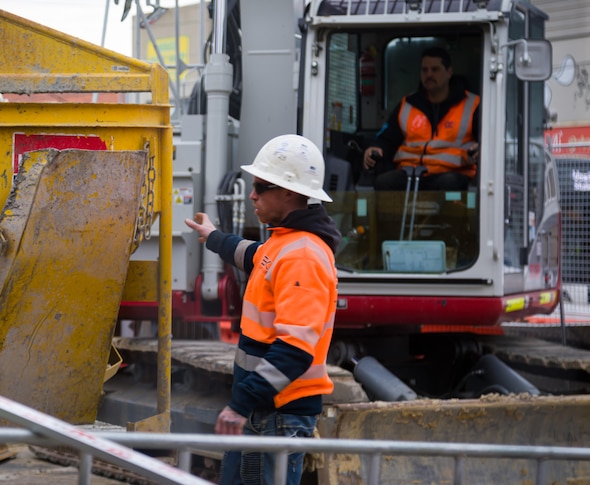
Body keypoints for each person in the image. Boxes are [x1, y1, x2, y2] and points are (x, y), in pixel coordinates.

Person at [185, 134, 341, 485]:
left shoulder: (302, 255)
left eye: (260, 186)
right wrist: (213, 237)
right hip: (266, 411)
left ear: (288, 192)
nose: (252, 194)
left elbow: (295, 349)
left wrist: (241, 404)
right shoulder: (284, 241)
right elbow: (254, 255)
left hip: (276, 415)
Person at [363, 46, 480, 191]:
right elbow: (388, 137)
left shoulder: (472, 104)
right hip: (410, 172)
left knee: (450, 183)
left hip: (451, 172)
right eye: (424, 70)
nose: (429, 74)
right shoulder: (408, 104)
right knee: (384, 182)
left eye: (435, 69)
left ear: (449, 72)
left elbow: (485, 141)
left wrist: (478, 147)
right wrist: (377, 147)